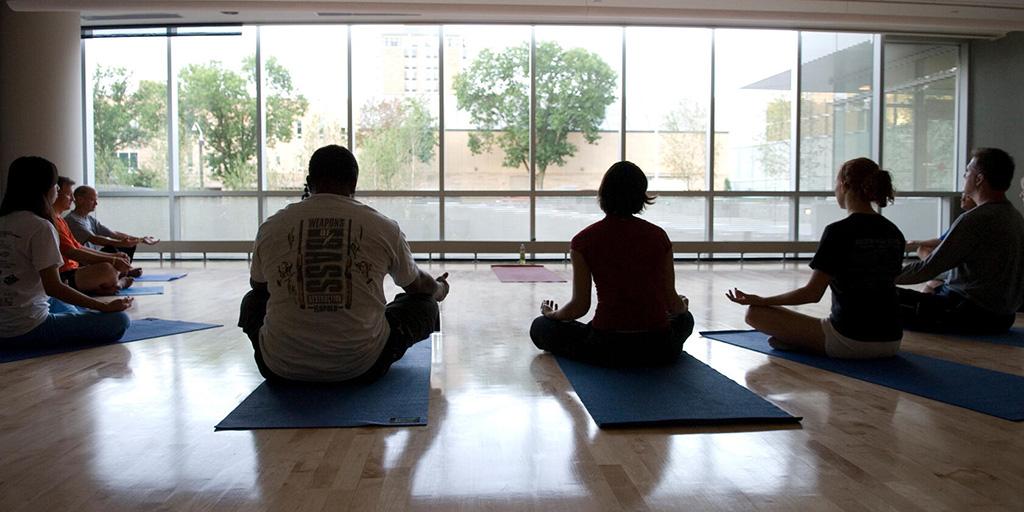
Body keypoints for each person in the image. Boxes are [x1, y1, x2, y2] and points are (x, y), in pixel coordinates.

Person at [239, 145, 450, 383]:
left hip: (279, 368)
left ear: (309, 182)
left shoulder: (271, 227)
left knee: (252, 300)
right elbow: (417, 285)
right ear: (354, 183)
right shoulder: (382, 226)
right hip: (363, 366)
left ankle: (288, 348)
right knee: (425, 304)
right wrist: (439, 289)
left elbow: (258, 286)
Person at [726, 157, 905, 359]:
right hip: (893, 340)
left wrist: (762, 300)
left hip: (850, 340)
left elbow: (812, 294)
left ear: (844, 185)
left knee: (755, 313)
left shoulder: (838, 231)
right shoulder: (894, 232)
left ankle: (800, 343)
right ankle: (797, 341)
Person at [529, 161, 693, 366]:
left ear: (603, 194)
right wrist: (682, 306)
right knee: (686, 319)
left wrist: (552, 315)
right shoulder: (659, 237)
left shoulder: (583, 240)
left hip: (607, 346)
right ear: (641, 196)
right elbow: (672, 303)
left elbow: (579, 307)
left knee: (540, 327)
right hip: (659, 346)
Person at [0, 156, 133, 348]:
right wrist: (104, 306)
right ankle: (78, 320)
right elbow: (53, 287)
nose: (58, 190)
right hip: (29, 327)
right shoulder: (40, 226)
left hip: (8, 320)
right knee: (120, 320)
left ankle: (76, 317)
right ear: (43, 189)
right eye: (55, 185)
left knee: (62, 305)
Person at [895, 148, 1024, 335]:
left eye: (967, 171)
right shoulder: (1015, 216)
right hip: (1003, 316)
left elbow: (928, 268)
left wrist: (880, 275)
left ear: (979, 179)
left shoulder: (976, 219)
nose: (964, 175)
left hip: (969, 313)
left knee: (874, 299)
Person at [51, 177, 136, 294]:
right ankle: (116, 283)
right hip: (65, 274)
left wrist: (114, 256)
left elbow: (79, 246)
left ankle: (107, 286)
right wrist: (112, 259)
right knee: (108, 269)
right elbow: (74, 251)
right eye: (68, 194)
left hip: (75, 268)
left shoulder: (61, 220)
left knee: (114, 260)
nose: (72, 198)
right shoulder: (59, 221)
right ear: (55, 192)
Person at [64, 185, 159, 261]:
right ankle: (121, 272)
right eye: (92, 200)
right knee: (113, 248)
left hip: (95, 254)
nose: (96, 203)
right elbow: (94, 239)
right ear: (80, 200)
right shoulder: (73, 220)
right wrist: (121, 243)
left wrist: (140, 239)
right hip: (86, 258)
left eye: (96, 200)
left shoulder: (89, 219)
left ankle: (124, 270)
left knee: (129, 246)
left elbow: (112, 233)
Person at [906, 191, 976, 294]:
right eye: (962, 195)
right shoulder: (965, 218)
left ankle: (935, 276)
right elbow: (942, 240)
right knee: (923, 249)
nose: (962, 199)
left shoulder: (968, 220)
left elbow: (943, 242)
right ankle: (936, 275)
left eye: (967, 196)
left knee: (928, 286)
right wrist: (917, 242)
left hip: (960, 268)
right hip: (955, 262)